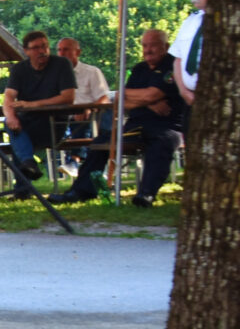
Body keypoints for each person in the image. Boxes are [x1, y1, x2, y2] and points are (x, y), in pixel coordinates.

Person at [66, 27, 187, 206]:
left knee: (162, 143)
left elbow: (151, 94)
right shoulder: (139, 69)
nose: (148, 50)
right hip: (135, 125)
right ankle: (80, 191)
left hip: (167, 125)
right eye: (145, 45)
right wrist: (148, 101)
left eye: (153, 45)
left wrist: (141, 97)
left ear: (166, 46)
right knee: (100, 142)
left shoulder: (173, 66)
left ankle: (146, 194)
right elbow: (121, 100)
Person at [0, 31, 76, 197]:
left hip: (54, 123)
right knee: (13, 126)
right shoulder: (19, 69)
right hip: (28, 123)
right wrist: (10, 116)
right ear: (26, 51)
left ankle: (23, 184)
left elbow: (68, 97)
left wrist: (33, 104)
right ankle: (28, 165)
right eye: (36, 48)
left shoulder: (62, 64)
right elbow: (8, 96)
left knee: (18, 139)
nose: (42, 51)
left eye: (45, 46)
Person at [56, 37, 112, 168]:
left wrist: (89, 109)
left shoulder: (91, 72)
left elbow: (104, 98)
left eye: (66, 49)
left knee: (82, 120)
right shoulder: (54, 76)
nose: (62, 53)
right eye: (59, 50)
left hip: (89, 118)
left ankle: (74, 161)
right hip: (61, 119)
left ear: (78, 52)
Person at [170, 0, 206, 104]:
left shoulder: (226, 22)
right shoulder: (190, 21)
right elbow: (177, 59)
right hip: (189, 98)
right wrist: (183, 91)